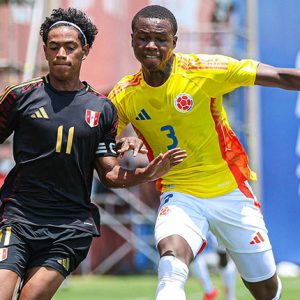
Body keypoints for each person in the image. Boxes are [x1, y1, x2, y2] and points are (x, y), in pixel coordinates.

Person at [108, 4, 300, 300]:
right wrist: (124, 141)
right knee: (171, 267)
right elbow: (104, 143)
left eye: (161, 39)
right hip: (180, 192)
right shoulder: (123, 94)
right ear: (132, 38)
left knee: (266, 290)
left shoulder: (204, 70)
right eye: (143, 37)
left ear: (175, 41)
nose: (151, 46)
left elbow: (278, 76)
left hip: (230, 192)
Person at [0, 7, 187, 300]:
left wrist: (146, 173)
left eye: (70, 47)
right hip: (18, 217)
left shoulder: (102, 109)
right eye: (54, 47)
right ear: (46, 51)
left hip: (69, 226)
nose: (61, 53)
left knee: (30, 297)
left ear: (84, 50)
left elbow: (110, 173)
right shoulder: (19, 96)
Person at [192, 232, 236, 300]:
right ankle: (210, 291)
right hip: (206, 240)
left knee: (225, 263)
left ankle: (230, 297)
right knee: (194, 258)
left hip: (217, 232)